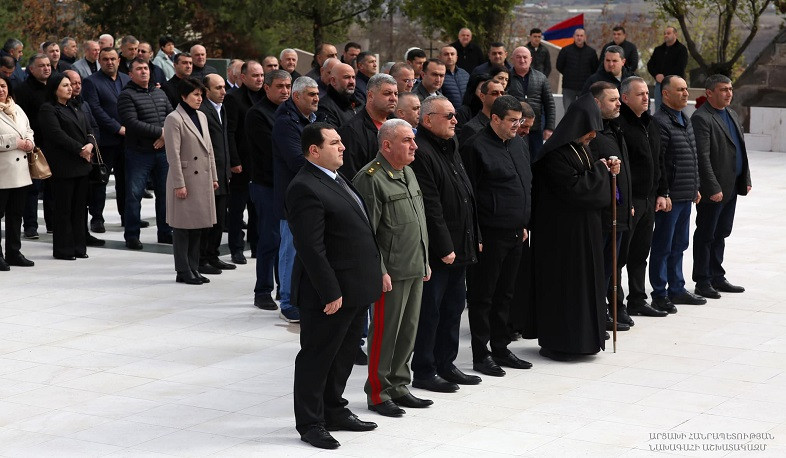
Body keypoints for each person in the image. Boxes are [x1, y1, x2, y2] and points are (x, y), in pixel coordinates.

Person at [289, 122, 382, 450]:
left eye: (341, 141)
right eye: (334, 143)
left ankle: (334, 409)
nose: (342, 147)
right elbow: (311, 247)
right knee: (318, 356)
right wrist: (331, 292)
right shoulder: (305, 186)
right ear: (314, 151)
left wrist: (376, 272)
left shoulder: (336, 177)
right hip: (328, 293)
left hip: (355, 287)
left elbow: (360, 230)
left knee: (343, 354)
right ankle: (311, 422)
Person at [352, 118, 432, 417]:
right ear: (386, 145)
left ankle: (399, 384)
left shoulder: (408, 173)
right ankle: (378, 391)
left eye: (413, 140)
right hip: (391, 272)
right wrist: (379, 270)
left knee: (408, 331)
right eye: (407, 141)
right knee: (385, 333)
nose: (414, 145)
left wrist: (424, 260)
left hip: (413, 265)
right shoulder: (370, 178)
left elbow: (418, 221)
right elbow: (366, 233)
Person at [531, 93, 618, 361]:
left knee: (586, 285)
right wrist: (603, 172)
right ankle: (564, 341)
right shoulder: (555, 155)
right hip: (562, 236)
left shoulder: (582, 148)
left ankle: (586, 339)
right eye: (590, 131)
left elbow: (590, 177)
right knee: (566, 289)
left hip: (585, 231)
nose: (593, 136)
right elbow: (576, 189)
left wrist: (606, 167)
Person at [410, 95, 481, 392]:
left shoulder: (451, 145)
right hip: (442, 250)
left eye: (455, 115)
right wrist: (444, 247)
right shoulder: (423, 151)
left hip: (461, 242)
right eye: (448, 116)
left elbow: (466, 193)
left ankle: (446, 363)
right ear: (428, 120)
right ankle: (425, 370)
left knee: (453, 308)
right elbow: (431, 205)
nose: (455, 120)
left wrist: (475, 235)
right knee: (431, 311)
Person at [460, 95, 533, 375]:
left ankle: (501, 347)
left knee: (506, 293)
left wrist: (525, 222)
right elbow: (470, 196)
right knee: (483, 295)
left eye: (520, 120)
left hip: (517, 231)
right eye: (512, 121)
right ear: (495, 119)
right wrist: (475, 234)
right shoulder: (476, 146)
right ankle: (481, 354)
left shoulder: (519, 144)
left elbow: (525, 183)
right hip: (489, 234)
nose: (518, 125)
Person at [690, 74, 751, 298]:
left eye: (730, 89)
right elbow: (702, 158)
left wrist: (746, 178)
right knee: (707, 233)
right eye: (723, 89)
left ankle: (717, 275)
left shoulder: (732, 114)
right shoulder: (702, 118)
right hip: (714, 190)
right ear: (709, 93)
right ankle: (702, 280)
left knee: (722, 232)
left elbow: (740, 149)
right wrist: (713, 187)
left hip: (731, 186)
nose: (729, 93)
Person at [615, 76, 669, 318]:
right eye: (640, 94)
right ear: (625, 98)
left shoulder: (650, 123)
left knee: (640, 254)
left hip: (648, 200)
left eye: (647, 93)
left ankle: (637, 299)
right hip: (630, 201)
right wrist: (626, 201)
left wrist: (662, 192)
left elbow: (660, 161)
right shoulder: (619, 126)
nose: (646, 97)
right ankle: (615, 306)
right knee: (620, 257)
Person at [650, 75, 705, 313]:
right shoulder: (660, 122)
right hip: (669, 198)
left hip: (685, 195)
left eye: (686, 89)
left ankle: (677, 289)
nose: (686, 94)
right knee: (663, 245)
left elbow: (691, 156)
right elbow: (659, 162)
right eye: (680, 90)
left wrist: (695, 187)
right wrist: (664, 193)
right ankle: (660, 293)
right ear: (665, 94)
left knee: (680, 244)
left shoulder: (685, 118)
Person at [273, 76, 321, 323]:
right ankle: (288, 301)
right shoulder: (285, 122)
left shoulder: (314, 119)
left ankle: (302, 297)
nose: (315, 98)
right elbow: (295, 160)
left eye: (316, 94)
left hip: (311, 193)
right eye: (311, 94)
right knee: (290, 249)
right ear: (296, 96)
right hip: (293, 194)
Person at [588, 82, 634, 332]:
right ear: (597, 103)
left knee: (613, 266)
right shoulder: (591, 132)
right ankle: (598, 312)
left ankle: (610, 308)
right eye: (612, 100)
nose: (618, 103)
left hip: (620, 211)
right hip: (603, 215)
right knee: (601, 269)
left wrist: (627, 204)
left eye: (619, 99)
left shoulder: (616, 128)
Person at [164, 77, 218, 285]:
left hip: (201, 178)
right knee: (182, 228)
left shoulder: (202, 116)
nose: (199, 98)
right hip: (185, 178)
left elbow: (209, 149)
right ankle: (183, 269)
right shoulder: (174, 119)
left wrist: (213, 176)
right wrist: (179, 184)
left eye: (201, 94)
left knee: (198, 226)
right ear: (183, 96)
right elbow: (173, 155)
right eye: (195, 94)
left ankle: (194, 267)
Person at [246, 69, 292, 310]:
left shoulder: (290, 112)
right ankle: (262, 290)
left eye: (288, 86)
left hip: (287, 185)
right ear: (267, 87)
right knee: (269, 239)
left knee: (286, 241)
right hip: (266, 185)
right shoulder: (257, 114)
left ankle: (282, 288)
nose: (285, 91)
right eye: (280, 87)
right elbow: (273, 149)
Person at [117, 58, 174, 250]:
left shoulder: (159, 92)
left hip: (163, 152)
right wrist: (161, 132)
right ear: (131, 74)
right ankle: (132, 235)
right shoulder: (126, 95)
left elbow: (172, 116)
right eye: (139, 69)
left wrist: (166, 136)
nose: (144, 72)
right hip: (139, 153)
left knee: (165, 195)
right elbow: (131, 122)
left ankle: (165, 232)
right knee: (134, 195)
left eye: (146, 68)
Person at [37, 73, 95, 260]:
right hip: (63, 166)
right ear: (55, 89)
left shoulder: (75, 106)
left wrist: (90, 144)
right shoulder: (48, 109)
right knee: (63, 209)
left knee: (79, 209)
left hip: (81, 165)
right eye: (65, 85)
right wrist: (80, 149)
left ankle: (79, 247)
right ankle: (64, 249)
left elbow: (89, 129)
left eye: (70, 85)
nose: (70, 88)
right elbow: (56, 134)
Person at [82, 48, 131, 232]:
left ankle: (127, 217)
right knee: (100, 182)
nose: (109, 62)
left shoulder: (127, 79)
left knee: (126, 181)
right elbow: (95, 109)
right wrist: (117, 128)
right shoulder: (91, 82)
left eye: (112, 59)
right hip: (105, 141)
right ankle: (97, 218)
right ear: (99, 61)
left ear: (118, 60)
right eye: (105, 59)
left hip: (128, 141)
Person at [197, 74, 235, 274]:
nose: (223, 92)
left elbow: (223, 142)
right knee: (207, 220)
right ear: (206, 90)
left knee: (220, 218)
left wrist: (227, 168)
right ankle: (201, 258)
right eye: (218, 88)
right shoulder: (202, 111)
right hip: (208, 174)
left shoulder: (222, 109)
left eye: (223, 87)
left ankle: (213, 255)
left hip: (223, 172)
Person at [0, 74, 36, 270]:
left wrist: (30, 141)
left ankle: (13, 252)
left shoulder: (17, 108)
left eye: (3, 86)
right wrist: (14, 142)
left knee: (16, 215)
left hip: (20, 173)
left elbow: (29, 129)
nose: (1, 90)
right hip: (2, 172)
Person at [507, 47, 555, 161]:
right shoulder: (506, 77)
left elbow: (550, 104)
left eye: (525, 57)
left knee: (536, 159)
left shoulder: (541, 78)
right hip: (514, 129)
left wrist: (549, 127)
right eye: (518, 57)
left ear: (531, 59)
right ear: (512, 59)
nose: (522, 60)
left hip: (536, 128)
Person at [647, 27, 688, 111]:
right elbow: (650, 65)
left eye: (668, 33)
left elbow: (680, 67)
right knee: (659, 109)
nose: (666, 35)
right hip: (660, 85)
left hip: (675, 85)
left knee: (676, 108)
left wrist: (665, 76)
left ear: (675, 34)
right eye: (664, 33)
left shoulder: (681, 50)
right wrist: (656, 75)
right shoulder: (658, 50)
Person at [556, 28, 598, 110]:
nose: (579, 38)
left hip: (585, 88)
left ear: (585, 37)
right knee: (568, 112)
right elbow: (559, 66)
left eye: (581, 35)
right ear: (574, 37)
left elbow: (595, 68)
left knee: (584, 112)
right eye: (577, 35)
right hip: (568, 87)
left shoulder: (591, 52)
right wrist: (568, 74)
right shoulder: (565, 50)